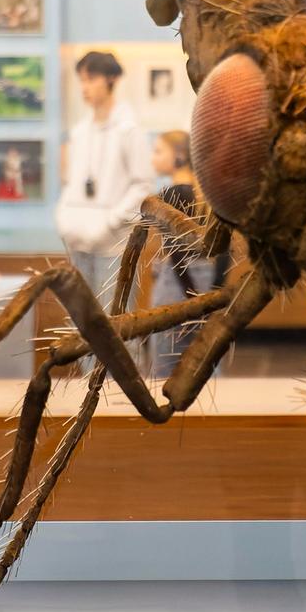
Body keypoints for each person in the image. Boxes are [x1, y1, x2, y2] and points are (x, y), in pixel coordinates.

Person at [54, 50, 150, 296]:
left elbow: (142, 186)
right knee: (80, 320)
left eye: (91, 79)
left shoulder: (129, 129)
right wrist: (64, 217)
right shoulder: (79, 132)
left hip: (114, 246)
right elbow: (71, 182)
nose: (84, 87)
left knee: (115, 319)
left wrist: (110, 222)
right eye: (82, 81)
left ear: (111, 79)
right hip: (77, 240)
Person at [146, 131, 227, 374]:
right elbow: (225, 249)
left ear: (179, 155)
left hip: (176, 290)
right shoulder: (209, 193)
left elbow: (176, 253)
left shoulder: (170, 194)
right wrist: (214, 293)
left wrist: (192, 300)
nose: (153, 157)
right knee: (207, 368)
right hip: (208, 286)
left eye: (159, 151)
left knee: (164, 370)